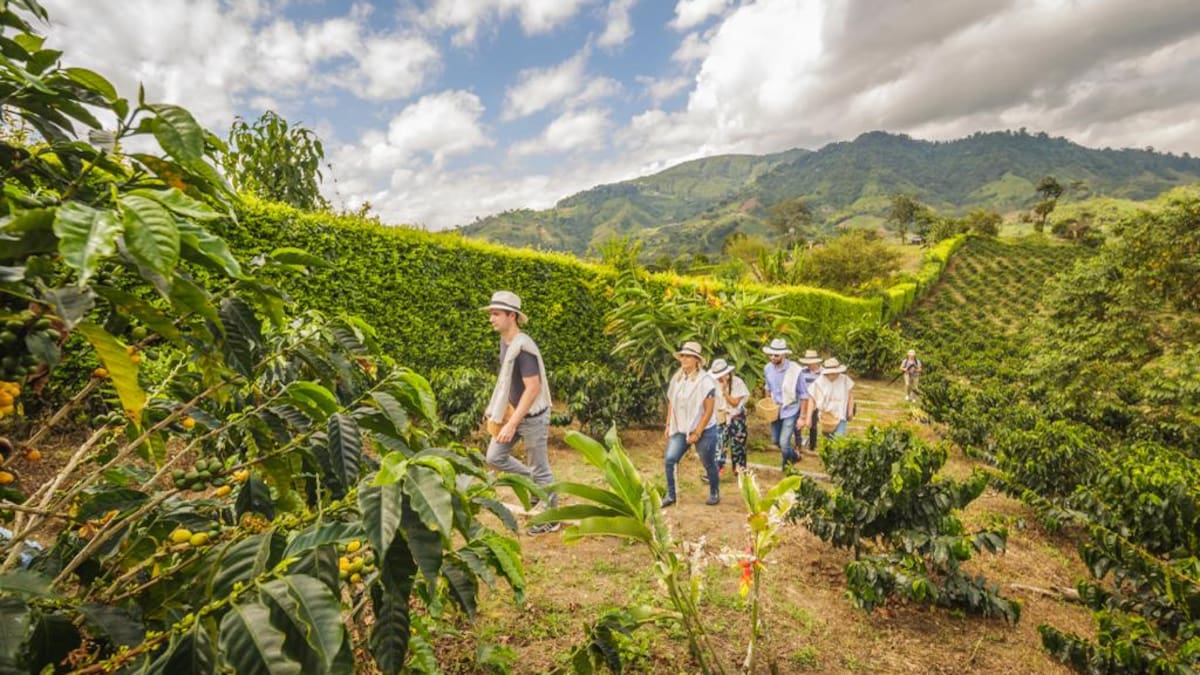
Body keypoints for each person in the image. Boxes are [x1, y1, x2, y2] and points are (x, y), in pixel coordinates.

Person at [481, 290, 559, 535]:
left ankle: (551, 518)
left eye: (496, 314)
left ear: (512, 316)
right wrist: (497, 409)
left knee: (540, 468)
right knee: (494, 457)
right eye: (491, 314)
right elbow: (508, 382)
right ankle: (536, 485)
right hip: (514, 413)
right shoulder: (505, 342)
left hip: (532, 418)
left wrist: (511, 424)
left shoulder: (523, 348)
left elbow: (533, 388)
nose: (491, 319)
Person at [663, 341, 720, 507]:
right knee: (670, 459)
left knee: (708, 462)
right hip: (681, 427)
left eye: (688, 356)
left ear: (697, 360)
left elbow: (708, 410)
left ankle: (714, 492)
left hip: (704, 429)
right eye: (683, 356)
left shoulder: (705, 381)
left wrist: (697, 432)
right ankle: (671, 494)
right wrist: (668, 424)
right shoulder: (677, 378)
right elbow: (671, 402)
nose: (684, 359)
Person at [762, 338, 807, 469]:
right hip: (775, 409)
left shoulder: (795, 370)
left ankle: (786, 466)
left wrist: (802, 417)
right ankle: (795, 456)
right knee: (775, 441)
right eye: (770, 355)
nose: (772, 357)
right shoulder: (768, 368)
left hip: (790, 409)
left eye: (776, 355)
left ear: (784, 354)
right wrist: (767, 403)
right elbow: (767, 387)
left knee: (784, 442)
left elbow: (804, 395)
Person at [709, 358, 749, 477]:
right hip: (721, 417)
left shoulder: (737, 383)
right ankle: (716, 470)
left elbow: (735, 403)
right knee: (719, 444)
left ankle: (739, 470)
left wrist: (725, 392)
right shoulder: (713, 383)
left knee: (738, 445)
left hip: (736, 417)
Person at [803, 357, 855, 439]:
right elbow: (812, 399)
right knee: (828, 440)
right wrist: (808, 418)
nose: (833, 375)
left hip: (840, 414)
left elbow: (850, 396)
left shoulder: (845, 380)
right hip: (826, 417)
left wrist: (850, 412)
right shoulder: (819, 382)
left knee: (838, 440)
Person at [797, 349, 823, 454]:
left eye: (810, 363)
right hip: (803, 400)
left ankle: (812, 445)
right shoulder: (802, 371)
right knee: (799, 422)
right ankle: (798, 444)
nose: (809, 365)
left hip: (815, 401)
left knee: (813, 423)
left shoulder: (822, 373)